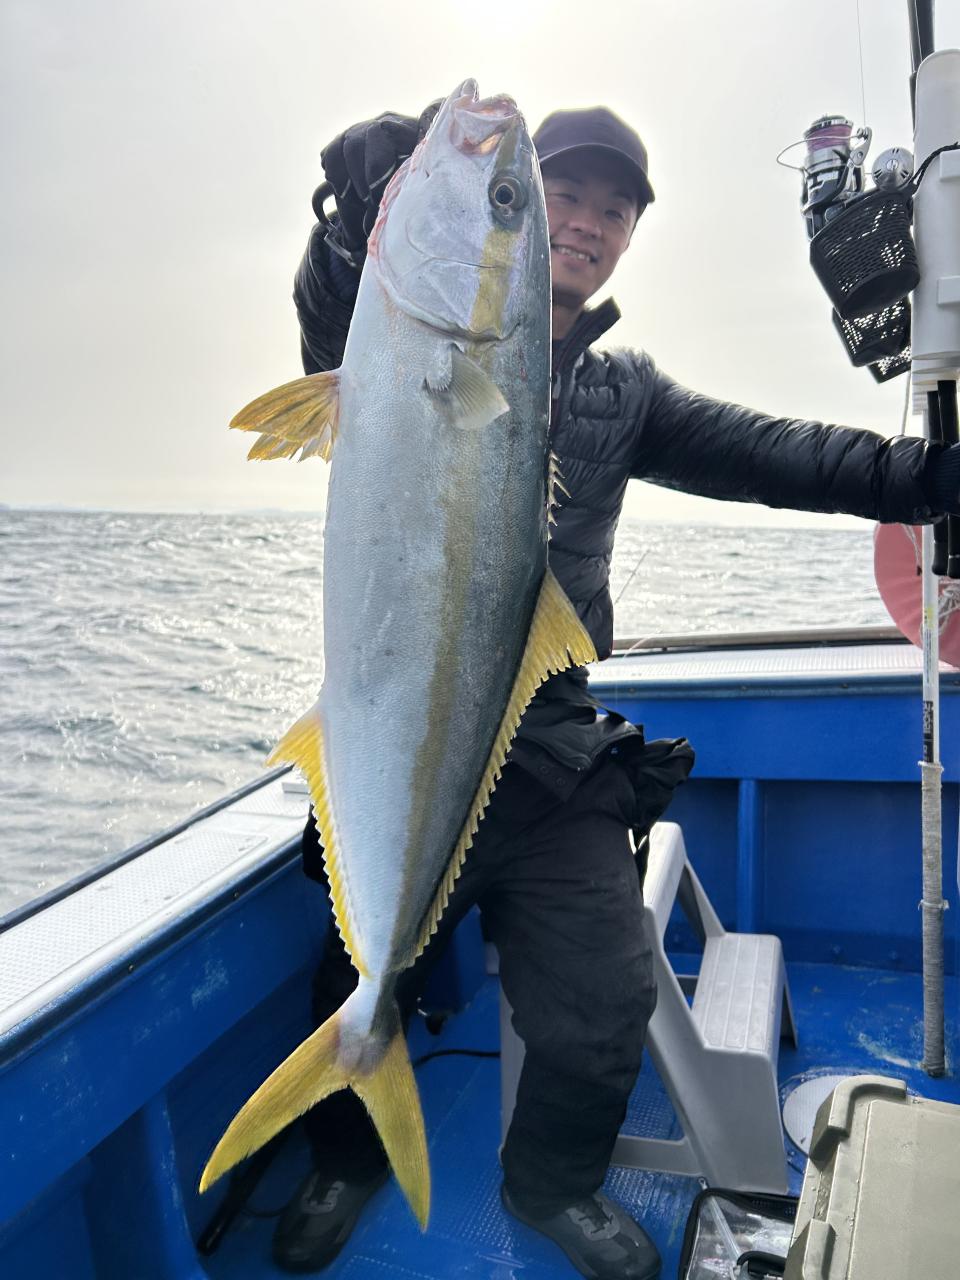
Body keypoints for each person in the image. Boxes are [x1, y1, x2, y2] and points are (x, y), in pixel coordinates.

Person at [271, 98, 960, 1280]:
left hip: (551, 743)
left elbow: (774, 454)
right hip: (411, 717)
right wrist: (345, 226)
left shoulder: (623, 392)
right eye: (566, 196)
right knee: (355, 960)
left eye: (613, 209)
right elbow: (334, 325)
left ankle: (551, 1182)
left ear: (631, 235)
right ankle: (345, 1152)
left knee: (603, 999)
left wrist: (928, 477)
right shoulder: (405, 327)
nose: (588, 222)